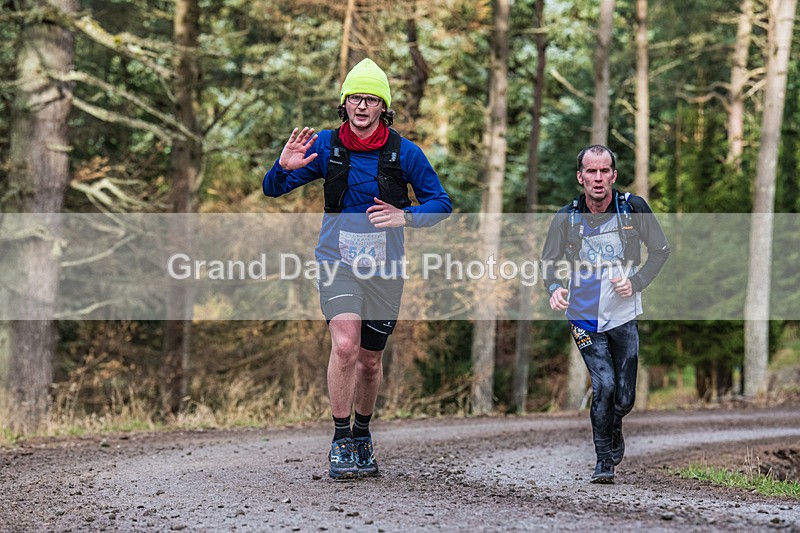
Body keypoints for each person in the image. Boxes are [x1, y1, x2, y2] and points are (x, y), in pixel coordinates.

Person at [262, 58, 452, 480]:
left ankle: (362, 433)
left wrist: (407, 216)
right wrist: (283, 167)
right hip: (336, 262)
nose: (362, 106)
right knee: (345, 346)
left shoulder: (406, 152)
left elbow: (442, 203)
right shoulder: (326, 146)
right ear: (344, 103)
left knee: (369, 360)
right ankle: (340, 439)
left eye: (370, 99)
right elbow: (273, 189)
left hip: (385, 268)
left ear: (383, 107)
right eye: (355, 98)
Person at [540, 145, 669, 484]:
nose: (598, 179)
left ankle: (615, 425)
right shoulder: (566, 217)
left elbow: (660, 250)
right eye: (591, 172)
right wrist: (554, 288)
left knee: (625, 397)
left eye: (604, 171)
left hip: (624, 311)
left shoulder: (632, 208)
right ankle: (603, 462)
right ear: (580, 177)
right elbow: (547, 263)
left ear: (613, 174)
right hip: (583, 313)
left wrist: (637, 281)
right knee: (605, 385)